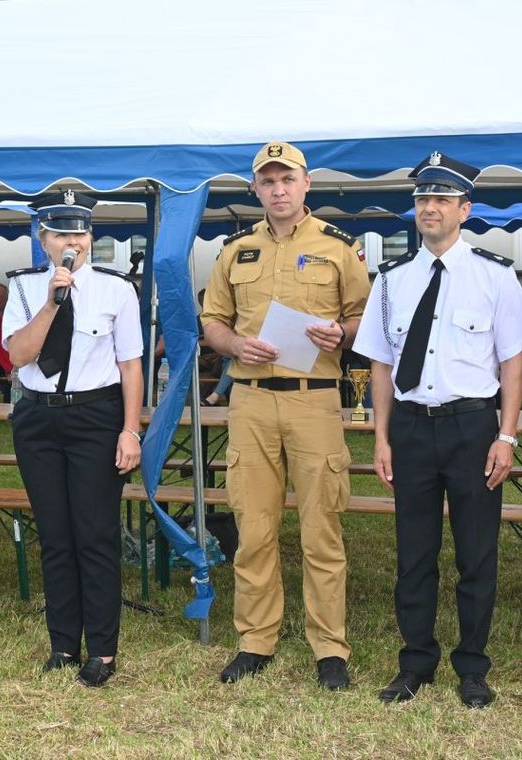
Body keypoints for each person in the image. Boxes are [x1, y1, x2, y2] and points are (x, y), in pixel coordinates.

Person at [353, 152, 522, 709]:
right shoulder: (391, 282)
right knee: (414, 553)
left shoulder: (495, 278)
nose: (428, 208)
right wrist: (381, 438)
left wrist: (507, 437)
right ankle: (415, 663)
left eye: (440, 200)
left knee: (476, 554)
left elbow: (512, 363)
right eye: (421, 200)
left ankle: (473, 667)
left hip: (471, 427)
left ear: (465, 208)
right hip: (411, 427)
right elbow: (381, 366)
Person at [200, 140, 370, 690]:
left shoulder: (340, 249)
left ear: (306, 185)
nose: (278, 189)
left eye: (287, 179)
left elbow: (367, 321)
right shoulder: (234, 250)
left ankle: (330, 649)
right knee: (254, 526)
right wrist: (233, 347)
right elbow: (214, 323)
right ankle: (255, 640)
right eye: (268, 181)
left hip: (314, 396)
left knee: (322, 528)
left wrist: (340, 333)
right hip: (249, 398)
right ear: (256, 189)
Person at [3, 191, 143, 688]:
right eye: (62, 234)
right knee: (56, 536)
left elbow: (130, 365)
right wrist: (50, 304)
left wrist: (130, 429)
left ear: (91, 238)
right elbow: (18, 355)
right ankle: (63, 643)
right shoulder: (22, 288)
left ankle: (102, 650)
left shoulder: (116, 289)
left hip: (95, 416)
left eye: (80, 234)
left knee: (95, 535)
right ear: (44, 240)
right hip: (38, 420)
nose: (73, 243)